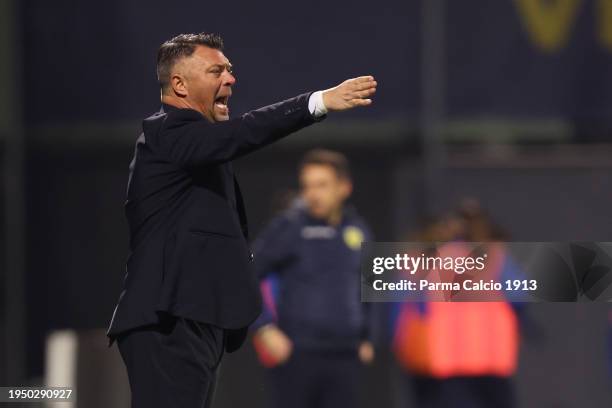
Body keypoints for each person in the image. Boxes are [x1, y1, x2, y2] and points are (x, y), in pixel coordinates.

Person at [105, 33, 377, 408]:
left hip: (195, 319)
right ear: (179, 84)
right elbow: (245, 131)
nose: (230, 78)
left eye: (230, 70)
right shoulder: (166, 132)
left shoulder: (356, 228)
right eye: (216, 70)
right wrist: (318, 102)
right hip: (167, 320)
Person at [251, 149, 375, 408]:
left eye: (322, 185)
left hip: (346, 356)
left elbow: (373, 285)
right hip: (297, 355)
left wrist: (369, 338)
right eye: (307, 186)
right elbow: (245, 276)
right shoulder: (289, 227)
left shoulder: (359, 229)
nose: (313, 194)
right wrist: (263, 328)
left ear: (344, 187)